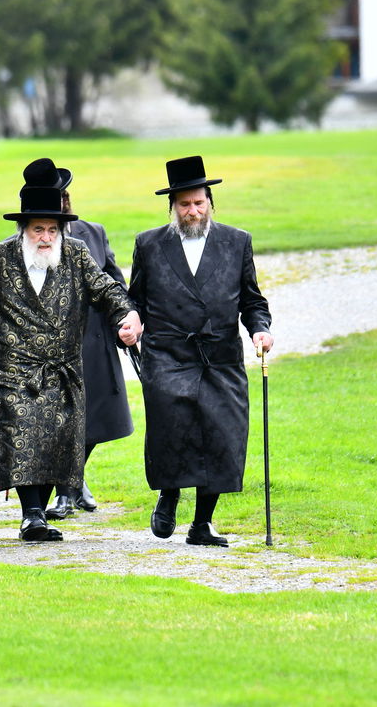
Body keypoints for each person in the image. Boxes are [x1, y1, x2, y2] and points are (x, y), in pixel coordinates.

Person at [0, 185, 141, 542]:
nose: (45, 237)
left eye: (52, 229)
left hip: (62, 368)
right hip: (10, 371)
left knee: (58, 440)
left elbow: (107, 290)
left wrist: (127, 315)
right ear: (23, 229)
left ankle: (37, 510)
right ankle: (33, 514)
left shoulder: (76, 253)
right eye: (38, 229)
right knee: (22, 435)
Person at [128, 156, 273, 547]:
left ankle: (202, 524)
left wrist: (260, 331)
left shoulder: (236, 241)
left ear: (210, 202)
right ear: (172, 206)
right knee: (173, 428)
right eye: (184, 204)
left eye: (199, 203)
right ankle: (169, 494)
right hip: (167, 355)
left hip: (220, 355)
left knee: (222, 433)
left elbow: (252, 300)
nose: (192, 211)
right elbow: (135, 299)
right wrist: (132, 320)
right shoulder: (150, 244)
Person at [16, 158, 132, 520]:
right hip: (46, 350)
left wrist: (125, 316)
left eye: (62, 195)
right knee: (55, 420)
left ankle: (73, 479)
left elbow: (113, 280)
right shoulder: (24, 242)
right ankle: (65, 491)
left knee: (95, 417)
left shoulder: (92, 233)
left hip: (92, 339)